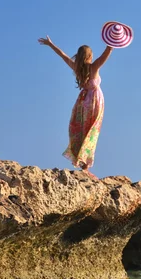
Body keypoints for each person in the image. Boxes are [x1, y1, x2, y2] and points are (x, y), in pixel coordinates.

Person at [38, 36, 113, 179]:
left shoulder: (76, 67)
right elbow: (107, 52)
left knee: (82, 129)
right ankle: (85, 166)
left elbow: (62, 55)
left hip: (82, 103)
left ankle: (82, 162)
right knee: (92, 133)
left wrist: (50, 44)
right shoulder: (94, 67)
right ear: (90, 56)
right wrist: (112, 43)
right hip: (95, 101)